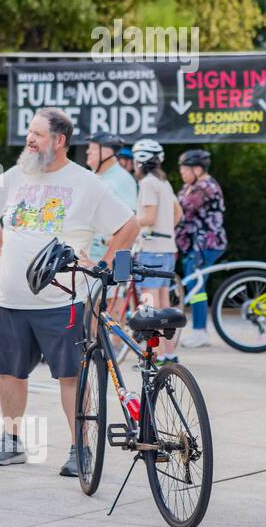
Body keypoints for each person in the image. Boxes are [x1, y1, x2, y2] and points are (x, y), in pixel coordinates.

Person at [0, 107, 137, 476]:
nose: (29, 140)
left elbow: (129, 225)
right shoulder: (15, 176)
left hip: (61, 301)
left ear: (60, 141)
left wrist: (103, 267)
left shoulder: (86, 183)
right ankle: (12, 441)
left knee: (71, 376)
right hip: (10, 299)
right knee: (10, 373)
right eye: (29, 133)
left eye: (38, 134)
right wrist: (0, 250)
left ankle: (80, 448)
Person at [129, 139, 182, 359]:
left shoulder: (148, 183)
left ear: (141, 160)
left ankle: (154, 356)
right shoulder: (164, 182)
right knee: (163, 303)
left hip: (151, 249)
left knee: (149, 304)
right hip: (167, 248)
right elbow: (178, 213)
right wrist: (166, 230)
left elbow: (148, 217)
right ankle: (169, 354)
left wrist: (129, 222)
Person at [175, 149, 226, 348]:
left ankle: (199, 331)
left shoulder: (205, 187)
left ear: (197, 169)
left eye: (184, 170)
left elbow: (181, 209)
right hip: (196, 245)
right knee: (198, 286)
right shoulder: (192, 185)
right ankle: (199, 329)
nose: (182, 173)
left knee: (196, 286)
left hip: (206, 244)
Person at [84, 132, 137, 261]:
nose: (88, 152)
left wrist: (107, 262)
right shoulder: (92, 176)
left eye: (93, 148)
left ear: (107, 152)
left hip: (105, 258)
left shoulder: (122, 179)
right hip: (89, 254)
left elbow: (131, 224)